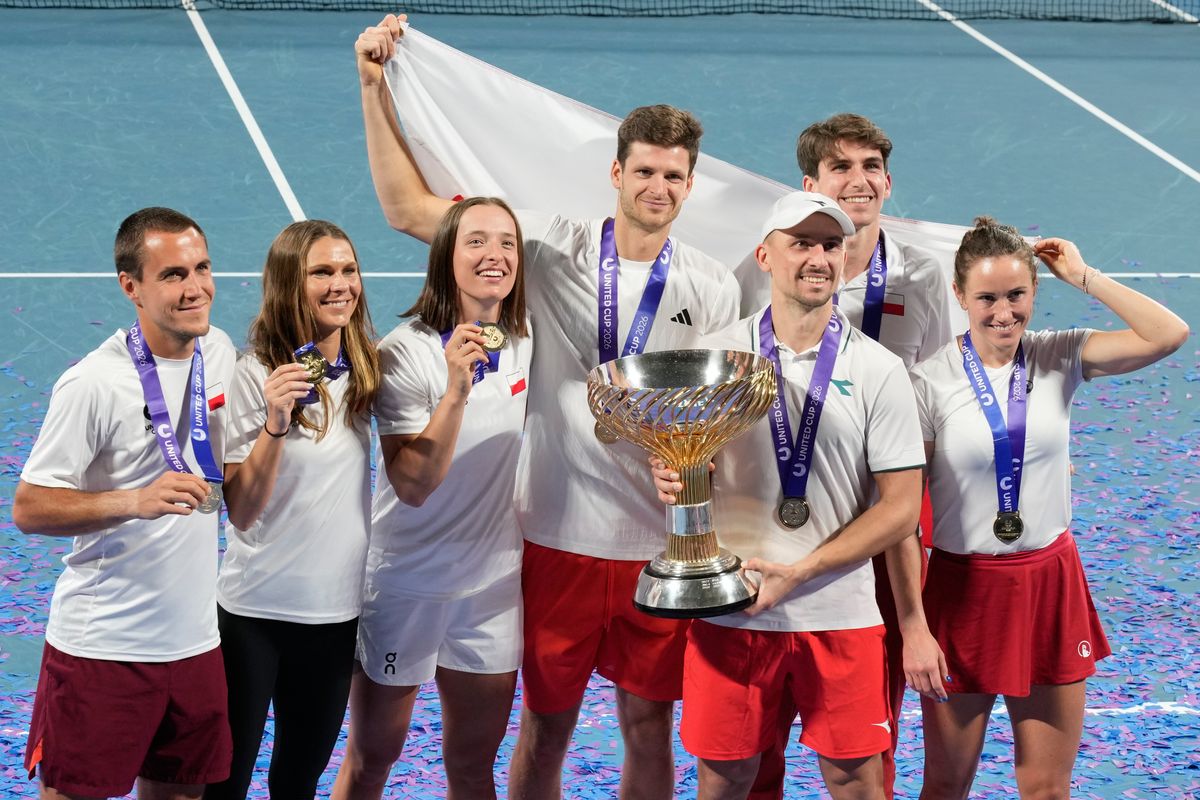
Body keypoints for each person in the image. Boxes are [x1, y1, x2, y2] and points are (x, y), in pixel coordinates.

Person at [354, 16, 741, 798]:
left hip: (655, 544)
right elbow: (410, 211)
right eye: (645, 171)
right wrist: (372, 85)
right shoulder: (550, 245)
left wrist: (693, 474)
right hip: (554, 539)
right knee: (546, 726)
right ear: (616, 173)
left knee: (648, 727)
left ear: (690, 184)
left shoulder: (710, 284)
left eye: (674, 176)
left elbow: (715, 416)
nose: (658, 188)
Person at [653, 191, 926, 800]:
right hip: (735, 607)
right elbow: (689, 465)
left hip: (840, 613)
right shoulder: (714, 357)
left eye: (830, 245)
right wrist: (673, 473)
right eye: (801, 243)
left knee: (858, 783)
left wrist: (801, 572)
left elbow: (901, 508)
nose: (818, 258)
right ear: (765, 256)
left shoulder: (879, 369)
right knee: (727, 781)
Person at [910, 218, 1188, 799]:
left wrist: (1084, 277)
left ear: (1035, 291)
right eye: (986, 297)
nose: (1003, 312)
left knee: (1046, 788)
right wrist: (914, 625)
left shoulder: (1058, 354)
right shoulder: (928, 382)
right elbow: (904, 515)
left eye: (1017, 294)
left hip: (1049, 582)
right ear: (959, 295)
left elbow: (1168, 333)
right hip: (964, 592)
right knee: (946, 784)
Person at [743, 114, 953, 800]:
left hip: (890, 504)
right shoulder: (770, 272)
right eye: (840, 168)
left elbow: (941, 387)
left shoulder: (922, 277)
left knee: (873, 697)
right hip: (789, 501)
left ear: (888, 182)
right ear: (811, 184)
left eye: (871, 167)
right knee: (755, 729)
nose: (858, 181)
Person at [13, 207, 236, 799]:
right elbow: (29, 507)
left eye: (202, 268)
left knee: (182, 793)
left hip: (195, 643)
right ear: (131, 287)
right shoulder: (93, 383)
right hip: (105, 646)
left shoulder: (218, 352)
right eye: (173, 275)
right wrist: (134, 500)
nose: (195, 288)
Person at [329, 196, 530, 800]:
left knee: (472, 764)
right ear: (445, 255)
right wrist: (454, 392)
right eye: (476, 241)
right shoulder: (406, 352)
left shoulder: (526, 337)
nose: (494, 255)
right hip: (408, 583)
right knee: (373, 758)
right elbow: (412, 485)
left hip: (492, 589)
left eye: (507, 243)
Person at [206, 221, 379, 800]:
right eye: (322, 272)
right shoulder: (254, 373)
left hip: (334, 615)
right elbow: (242, 511)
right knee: (225, 784)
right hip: (254, 616)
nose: (340, 284)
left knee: (298, 784)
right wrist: (274, 424)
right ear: (288, 283)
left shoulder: (367, 368)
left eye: (348, 270)